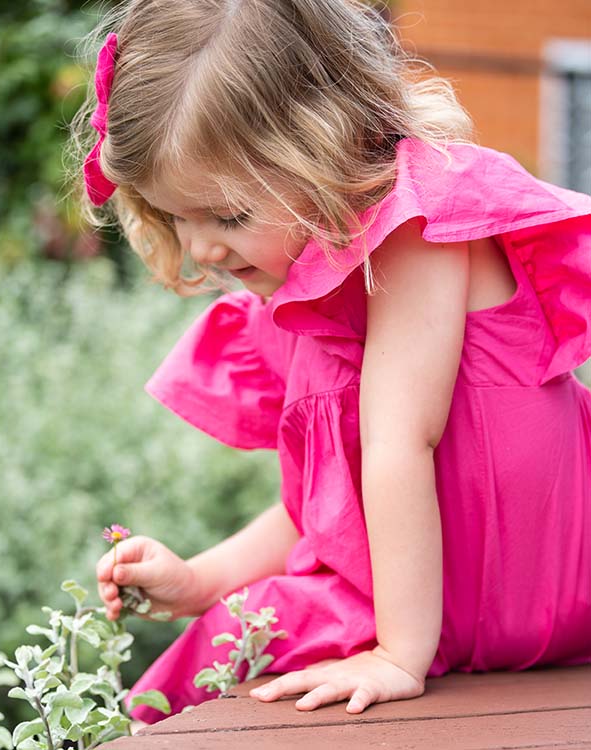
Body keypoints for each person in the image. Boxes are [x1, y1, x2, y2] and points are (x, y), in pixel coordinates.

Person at [81, 0, 591, 724]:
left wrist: (396, 656)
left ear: (321, 147)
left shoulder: (420, 225)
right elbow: (330, 511)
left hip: (532, 588)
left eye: (225, 217)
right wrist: (202, 580)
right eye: (174, 217)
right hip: (417, 607)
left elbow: (397, 445)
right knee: (203, 664)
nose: (199, 248)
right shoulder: (302, 298)